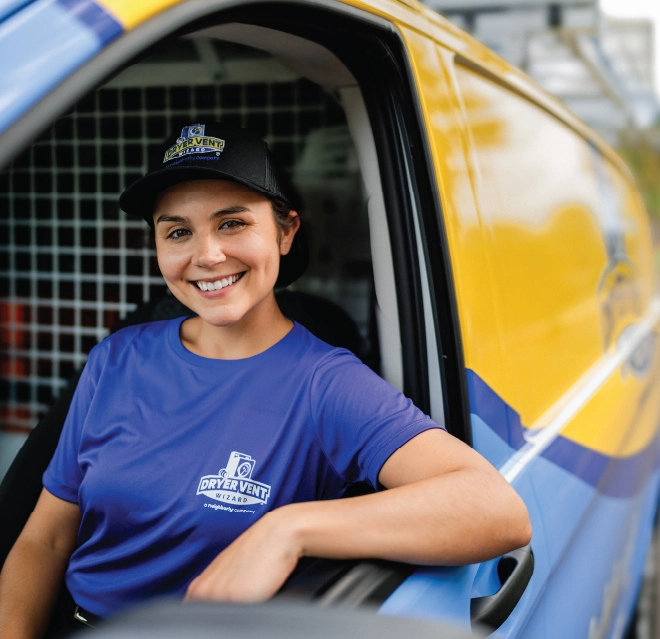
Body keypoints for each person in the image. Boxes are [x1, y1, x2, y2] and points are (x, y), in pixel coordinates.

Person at [0, 123, 531, 639]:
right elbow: (45, 540)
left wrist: (288, 529)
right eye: (178, 231)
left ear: (285, 231)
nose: (207, 255)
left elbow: (495, 509)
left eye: (232, 223)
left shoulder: (327, 383)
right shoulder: (116, 358)